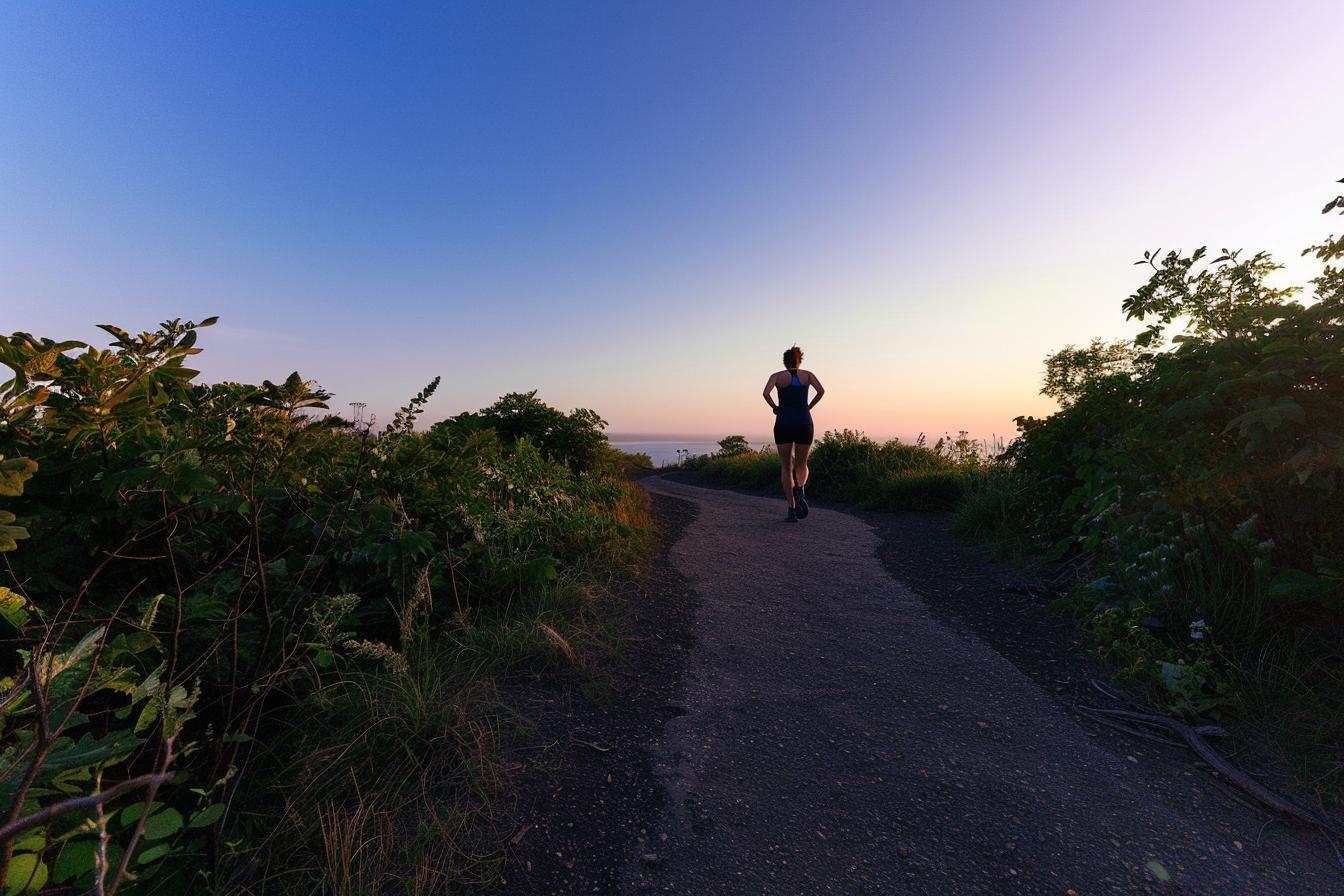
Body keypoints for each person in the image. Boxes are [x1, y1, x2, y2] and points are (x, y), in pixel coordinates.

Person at [763, 345, 824, 522]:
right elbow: (821, 391)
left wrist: (775, 407)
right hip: (804, 422)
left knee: (786, 467)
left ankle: (792, 508)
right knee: (802, 463)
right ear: (800, 360)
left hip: (783, 423)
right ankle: (801, 488)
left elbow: (765, 393)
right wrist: (809, 406)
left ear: (784, 361)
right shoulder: (808, 375)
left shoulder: (776, 377)